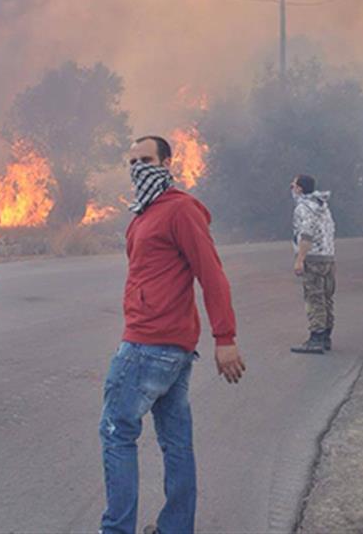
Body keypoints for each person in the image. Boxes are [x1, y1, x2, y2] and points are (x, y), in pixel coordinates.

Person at [99, 136, 246, 534]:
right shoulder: (145, 213)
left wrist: (225, 337)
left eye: (146, 159)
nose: (137, 168)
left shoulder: (179, 210)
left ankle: (116, 530)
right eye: (131, 162)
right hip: (171, 347)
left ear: (167, 162)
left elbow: (211, 273)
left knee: (116, 432)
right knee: (175, 442)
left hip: (150, 344)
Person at [290, 174, 337, 354]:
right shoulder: (322, 206)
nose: (292, 188)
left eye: (293, 185)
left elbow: (306, 234)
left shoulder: (303, 208)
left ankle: (316, 338)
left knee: (314, 298)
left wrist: (300, 259)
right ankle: (326, 337)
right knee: (327, 298)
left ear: (300, 188)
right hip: (328, 257)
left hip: (313, 259)